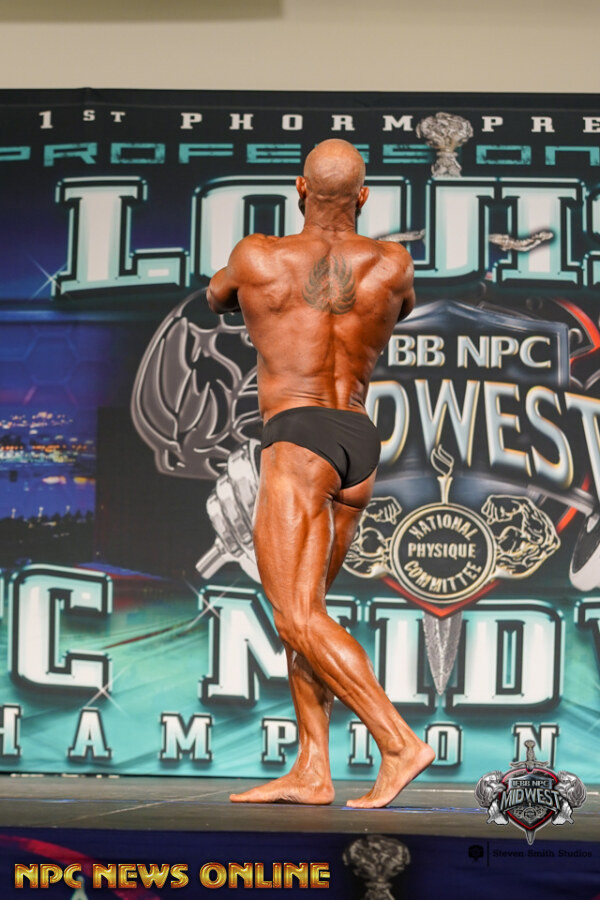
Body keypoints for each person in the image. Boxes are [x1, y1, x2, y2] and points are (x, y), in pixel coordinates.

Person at [207, 138, 435, 808]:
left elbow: (217, 296)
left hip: (298, 438)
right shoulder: (392, 263)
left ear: (299, 188)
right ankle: (312, 768)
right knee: (308, 612)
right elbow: (399, 307)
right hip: (357, 442)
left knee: (296, 614)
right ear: (363, 197)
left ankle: (398, 742)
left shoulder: (257, 256)